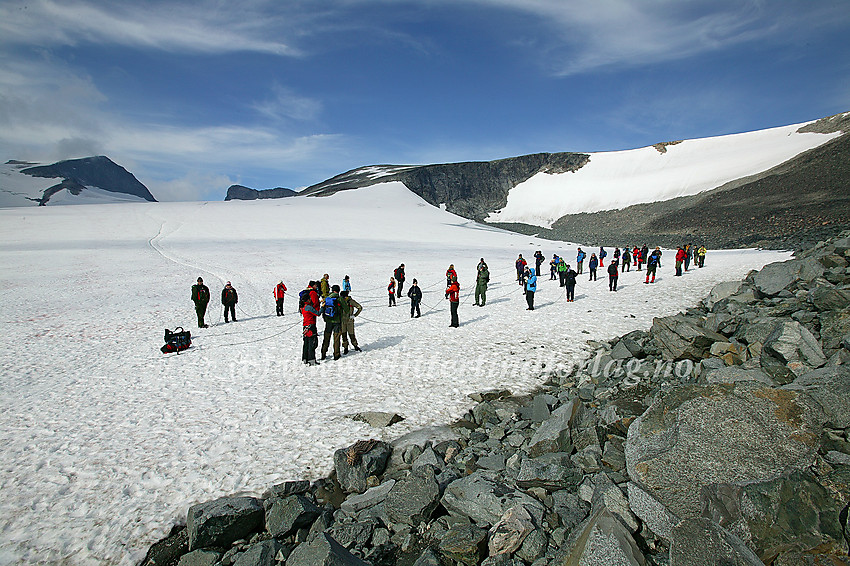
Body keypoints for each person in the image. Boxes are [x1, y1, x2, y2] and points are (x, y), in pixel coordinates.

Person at [300, 281, 321, 365]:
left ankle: (305, 358)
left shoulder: (304, 307)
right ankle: (312, 360)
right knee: (312, 343)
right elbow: (318, 313)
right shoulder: (309, 307)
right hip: (311, 326)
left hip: (305, 326)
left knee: (306, 343)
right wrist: (322, 307)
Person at [321, 285, 343, 360]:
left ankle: (323, 353)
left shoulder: (328, 298)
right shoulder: (339, 298)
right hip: (337, 321)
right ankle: (336, 354)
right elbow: (346, 309)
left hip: (328, 321)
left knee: (326, 337)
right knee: (336, 338)